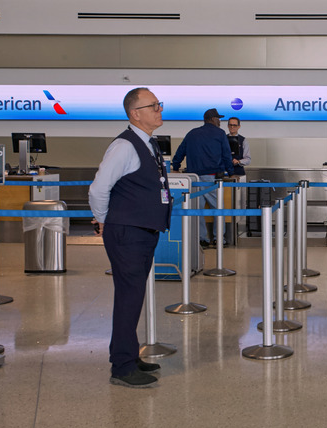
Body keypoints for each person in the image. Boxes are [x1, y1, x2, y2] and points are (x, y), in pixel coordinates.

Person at [88, 87, 171, 388]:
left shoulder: (148, 143)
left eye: (159, 104)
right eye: (153, 106)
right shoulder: (124, 146)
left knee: (132, 297)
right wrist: (103, 219)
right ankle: (122, 367)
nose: (159, 109)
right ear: (135, 113)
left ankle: (127, 355)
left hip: (140, 231)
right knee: (128, 298)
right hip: (127, 233)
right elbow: (98, 189)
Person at [171, 108, 235, 247]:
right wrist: (231, 173)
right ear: (212, 119)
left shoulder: (192, 133)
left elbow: (180, 152)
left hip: (193, 179)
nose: (220, 121)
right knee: (218, 208)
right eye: (218, 118)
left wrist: (175, 167)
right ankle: (219, 239)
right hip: (212, 178)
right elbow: (226, 155)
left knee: (196, 210)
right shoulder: (220, 133)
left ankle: (201, 239)